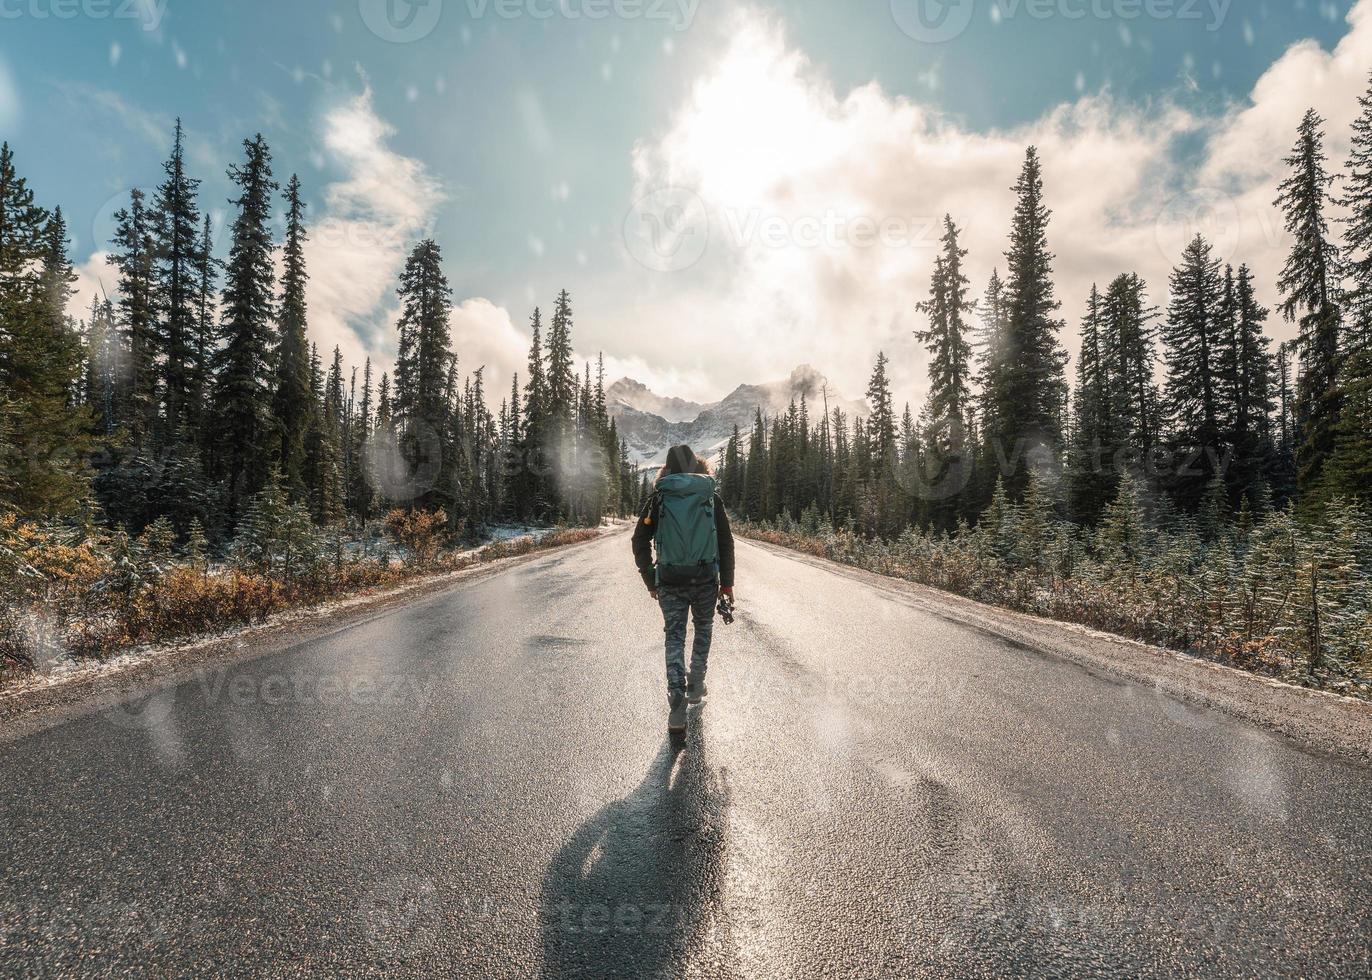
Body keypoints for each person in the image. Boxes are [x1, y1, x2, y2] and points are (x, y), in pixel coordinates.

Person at [632, 444, 736, 738]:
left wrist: (650, 579)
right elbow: (726, 542)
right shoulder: (710, 496)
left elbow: (639, 541)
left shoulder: (660, 497)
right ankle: (696, 684)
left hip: (671, 579)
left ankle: (676, 703)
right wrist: (726, 583)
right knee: (703, 628)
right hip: (705, 577)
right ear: (698, 466)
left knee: (674, 637)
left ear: (666, 469)